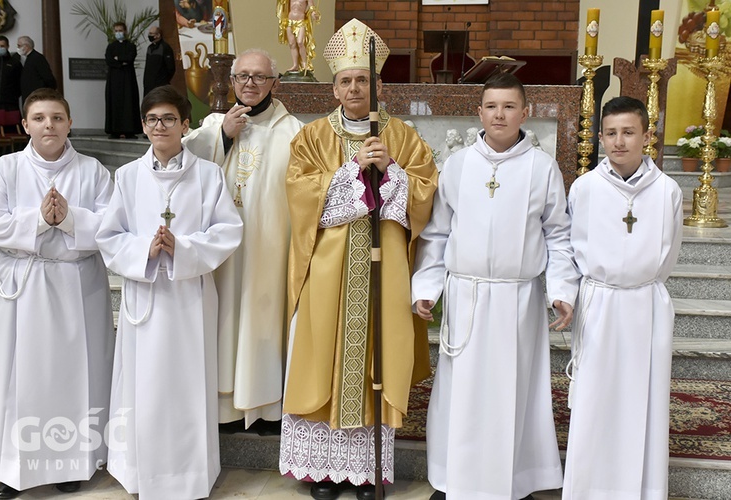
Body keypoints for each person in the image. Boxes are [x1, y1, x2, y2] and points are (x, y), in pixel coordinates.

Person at [279, 19, 438, 500]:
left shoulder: (403, 136)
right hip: (327, 269)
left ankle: (369, 471)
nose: (354, 87)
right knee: (322, 358)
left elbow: (426, 192)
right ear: (333, 87)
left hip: (383, 268)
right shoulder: (310, 136)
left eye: (362, 80)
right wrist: (351, 172)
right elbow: (300, 194)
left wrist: (391, 170)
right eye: (346, 80)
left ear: (378, 85)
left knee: (377, 359)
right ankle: (324, 472)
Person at [411, 72, 580, 500]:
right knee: (459, 395)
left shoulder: (541, 168)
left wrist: (561, 289)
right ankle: (453, 480)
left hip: (516, 298)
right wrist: (427, 287)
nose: (499, 114)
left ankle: (513, 480)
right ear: (479, 112)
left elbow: (558, 235)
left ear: (526, 112)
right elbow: (436, 234)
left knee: (513, 392)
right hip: (466, 294)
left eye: (508, 106)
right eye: (491, 106)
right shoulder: (457, 165)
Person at [96, 85, 243, 500]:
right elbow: (109, 236)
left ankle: (189, 476)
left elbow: (228, 230)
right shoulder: (126, 176)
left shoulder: (208, 174)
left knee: (188, 383)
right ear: (144, 126)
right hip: (145, 295)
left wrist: (186, 248)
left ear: (185, 124)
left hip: (189, 295)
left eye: (169, 119)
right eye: (153, 119)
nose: (161, 126)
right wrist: (145, 248)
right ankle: (143, 472)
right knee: (142, 385)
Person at [0, 88, 114, 499]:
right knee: (16, 377)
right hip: (21, 287)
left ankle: (71, 462)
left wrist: (71, 219)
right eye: (39, 118)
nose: (49, 126)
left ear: (70, 123)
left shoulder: (93, 170)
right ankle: (13, 468)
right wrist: (37, 221)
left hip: (76, 286)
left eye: (57, 117)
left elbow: (113, 226)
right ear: (25, 125)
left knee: (76, 375)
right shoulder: (5, 169)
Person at [562, 97, 683, 500]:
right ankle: (588, 489)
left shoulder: (667, 191)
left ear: (646, 136)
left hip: (646, 305)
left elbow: (668, 256)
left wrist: (638, 285)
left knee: (643, 402)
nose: (619, 142)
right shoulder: (585, 187)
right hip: (599, 304)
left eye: (629, 132)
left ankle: (643, 490)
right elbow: (572, 248)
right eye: (611, 133)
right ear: (599, 138)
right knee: (595, 401)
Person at [183, 49, 302, 431]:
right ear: (232, 82)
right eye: (242, 77)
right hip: (221, 252)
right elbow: (181, 166)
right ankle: (224, 409)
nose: (250, 84)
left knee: (262, 318)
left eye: (259, 77)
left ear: (275, 82)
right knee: (224, 319)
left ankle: (265, 406)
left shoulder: (294, 131)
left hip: (270, 248)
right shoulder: (214, 122)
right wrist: (223, 137)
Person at [104, 22, 141, 139]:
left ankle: (130, 130)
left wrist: (118, 59)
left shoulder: (131, 46)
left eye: (120, 30)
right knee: (114, 102)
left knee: (129, 102)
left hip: (128, 78)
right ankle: (114, 130)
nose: (118, 33)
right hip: (114, 79)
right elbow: (109, 60)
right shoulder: (111, 46)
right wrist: (121, 62)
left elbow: (130, 59)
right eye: (116, 31)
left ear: (125, 31)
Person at [277, 0, 320, 73]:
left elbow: (311, 7)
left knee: (300, 42)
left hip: (301, 22)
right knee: (292, 44)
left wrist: (313, 14)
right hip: (290, 22)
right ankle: (295, 65)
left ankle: (304, 63)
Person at [14, 36, 57, 105]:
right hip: (30, 98)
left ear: (26, 46)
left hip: (37, 98)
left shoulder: (38, 58)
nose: (18, 48)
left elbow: (48, 78)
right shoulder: (28, 59)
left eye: (19, 45)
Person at [143, 26, 175, 96]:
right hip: (148, 85)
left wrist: (163, 81)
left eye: (151, 33)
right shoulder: (150, 48)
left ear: (158, 35)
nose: (149, 35)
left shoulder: (165, 47)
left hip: (160, 85)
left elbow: (171, 68)